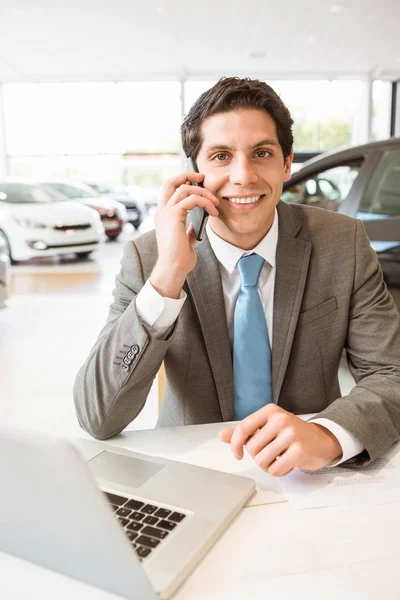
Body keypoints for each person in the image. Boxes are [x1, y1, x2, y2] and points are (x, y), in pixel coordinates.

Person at [74, 77, 400, 477]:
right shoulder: (149, 257)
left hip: (308, 476)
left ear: (286, 163)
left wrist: (328, 436)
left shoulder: (342, 242)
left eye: (261, 152)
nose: (243, 176)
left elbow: (391, 374)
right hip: (193, 471)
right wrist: (167, 277)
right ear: (195, 170)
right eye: (221, 156)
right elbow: (97, 415)